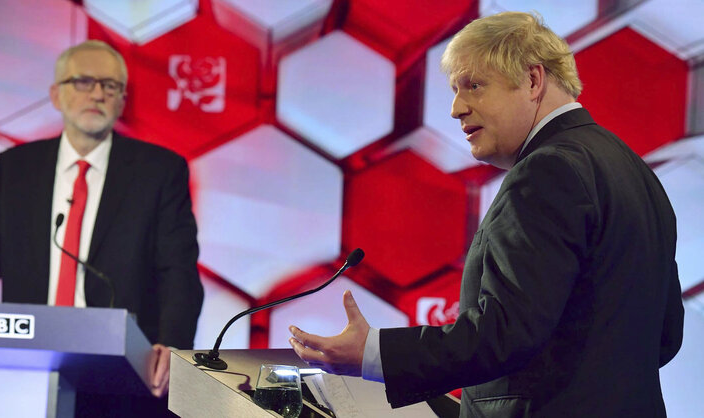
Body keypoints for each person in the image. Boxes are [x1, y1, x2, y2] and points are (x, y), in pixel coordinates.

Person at [289, 12, 684, 417]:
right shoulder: (634, 170)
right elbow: (666, 337)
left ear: (533, 80)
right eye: (455, 90)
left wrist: (373, 353)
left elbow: (504, 334)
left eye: (474, 86)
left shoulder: (548, 171)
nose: (457, 108)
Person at [0, 40, 202, 417]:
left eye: (110, 86)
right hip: (25, 369)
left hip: (122, 375)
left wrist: (172, 345)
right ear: (56, 95)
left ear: (122, 101)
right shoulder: (15, 169)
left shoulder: (159, 172)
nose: (97, 93)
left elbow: (178, 271)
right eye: (83, 82)